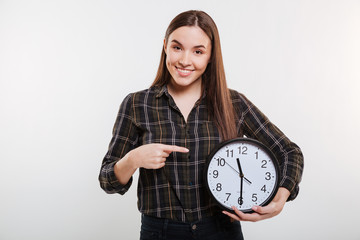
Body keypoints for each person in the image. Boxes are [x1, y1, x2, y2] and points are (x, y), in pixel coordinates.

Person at [99, 10, 304, 240]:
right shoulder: (137, 104)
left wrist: (281, 197)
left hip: (221, 231)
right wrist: (134, 159)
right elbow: (107, 180)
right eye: (177, 47)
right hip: (160, 232)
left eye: (198, 51)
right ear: (165, 46)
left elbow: (289, 152)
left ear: (210, 56)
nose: (185, 60)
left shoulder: (233, 103)